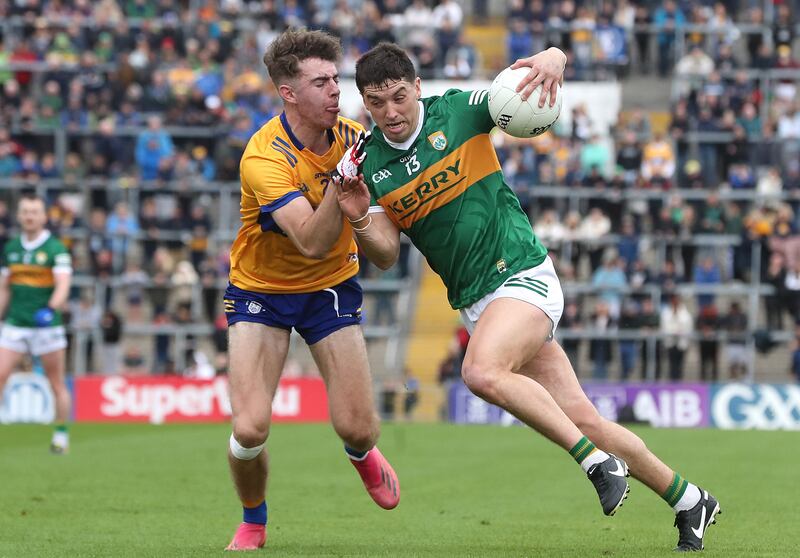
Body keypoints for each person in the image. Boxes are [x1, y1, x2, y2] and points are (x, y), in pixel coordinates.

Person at [336, 42, 719, 552]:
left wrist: (556, 56)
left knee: (479, 372)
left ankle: (595, 463)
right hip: (478, 302)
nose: (390, 112)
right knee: (585, 418)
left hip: (522, 273)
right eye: (376, 103)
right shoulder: (370, 160)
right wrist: (359, 212)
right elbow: (383, 254)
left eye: (398, 97)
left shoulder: (460, 110)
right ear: (363, 101)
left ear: (418, 88)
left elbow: (520, 87)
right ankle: (690, 499)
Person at [222, 29, 399, 552]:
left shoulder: (355, 140)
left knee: (359, 429)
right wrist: (340, 188)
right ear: (288, 93)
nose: (335, 92)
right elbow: (310, 240)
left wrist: (361, 207)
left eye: (336, 79)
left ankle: (362, 453)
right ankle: (254, 519)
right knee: (250, 429)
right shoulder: (263, 157)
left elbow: (383, 255)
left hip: (330, 289)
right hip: (262, 291)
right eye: (320, 82)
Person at [0, 193, 72, 453]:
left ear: (44, 217)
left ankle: (61, 435)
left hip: (46, 326)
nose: (29, 216)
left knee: (56, 383)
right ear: (19, 216)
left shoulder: (55, 249)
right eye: (25, 212)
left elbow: (64, 284)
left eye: (34, 212)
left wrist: (50, 308)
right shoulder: (11, 249)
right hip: (16, 323)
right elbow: (5, 288)